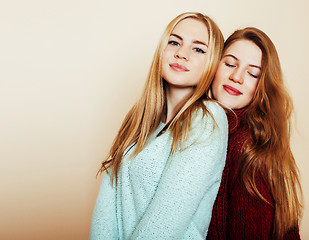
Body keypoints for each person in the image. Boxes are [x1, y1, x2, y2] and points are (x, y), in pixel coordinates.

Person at [90, 12, 228, 240]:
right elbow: (106, 209)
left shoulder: (209, 119)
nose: (181, 54)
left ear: (212, 62)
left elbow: (166, 220)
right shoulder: (139, 118)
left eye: (198, 49)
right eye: (174, 42)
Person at [206, 27, 303, 240]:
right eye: (230, 64)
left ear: (263, 87)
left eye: (253, 73)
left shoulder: (245, 148)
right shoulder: (211, 133)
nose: (236, 77)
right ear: (213, 66)